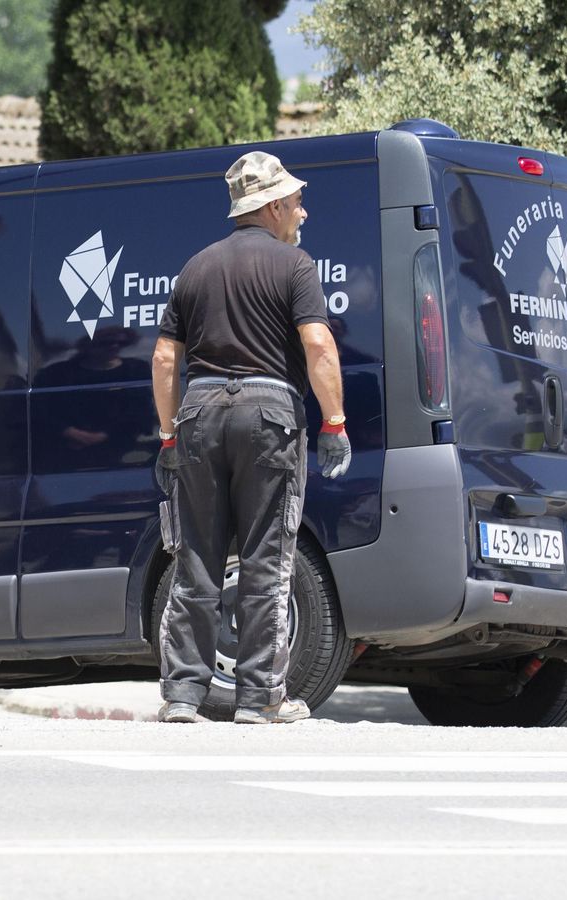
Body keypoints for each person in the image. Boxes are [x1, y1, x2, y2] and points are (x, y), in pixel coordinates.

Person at [151, 151, 351, 725]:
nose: (303, 212)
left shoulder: (195, 267)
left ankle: (183, 696)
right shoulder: (294, 267)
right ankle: (259, 699)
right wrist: (334, 424)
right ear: (273, 206)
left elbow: (166, 358)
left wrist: (168, 437)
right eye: (295, 202)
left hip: (199, 411)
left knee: (196, 555)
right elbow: (318, 346)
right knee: (267, 556)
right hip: (269, 414)